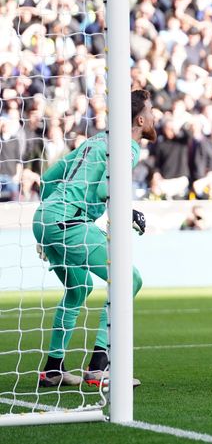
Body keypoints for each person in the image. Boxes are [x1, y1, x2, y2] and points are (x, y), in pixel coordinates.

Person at [34, 89, 155, 388]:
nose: (155, 117)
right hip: (68, 222)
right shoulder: (127, 147)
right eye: (152, 111)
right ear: (140, 119)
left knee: (79, 289)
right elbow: (104, 190)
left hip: (46, 219)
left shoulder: (96, 140)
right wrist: (129, 212)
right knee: (129, 278)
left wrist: (44, 225)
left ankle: (53, 369)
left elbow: (49, 178)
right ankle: (100, 366)